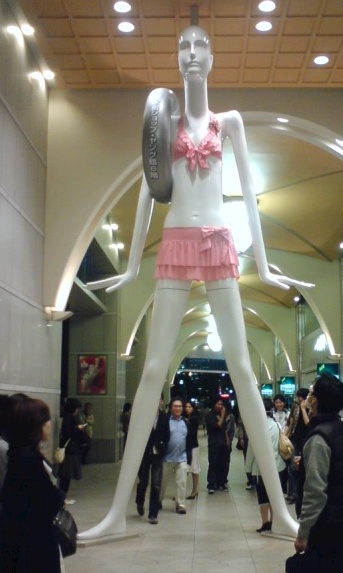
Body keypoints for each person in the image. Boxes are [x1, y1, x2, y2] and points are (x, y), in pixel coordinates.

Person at [80, 23, 311, 540]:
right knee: (152, 369)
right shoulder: (165, 123)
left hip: (219, 242)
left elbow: (246, 191)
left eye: (199, 46)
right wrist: (134, 265)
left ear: (211, 58)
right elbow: (149, 188)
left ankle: (281, 511)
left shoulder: (230, 121)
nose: (190, 53)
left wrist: (264, 263)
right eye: (183, 46)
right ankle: (115, 514)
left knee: (243, 368)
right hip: (177, 240)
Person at [291, 374, 343, 573]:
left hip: (325, 531)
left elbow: (315, 493)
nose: (308, 397)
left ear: (315, 400)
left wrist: (303, 534)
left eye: (311, 393)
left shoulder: (318, 438)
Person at [0, 397, 66, 572]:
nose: (49, 424)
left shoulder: (18, 455)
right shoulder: (28, 461)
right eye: (45, 420)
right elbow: (47, 500)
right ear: (33, 426)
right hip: (32, 549)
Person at [246, 398, 286, 533]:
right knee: (275, 496)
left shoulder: (256, 428)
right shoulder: (277, 425)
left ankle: (265, 523)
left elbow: (251, 450)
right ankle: (275, 523)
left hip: (260, 468)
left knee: (262, 496)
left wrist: (247, 467)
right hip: (277, 466)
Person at [136, 395, 170, 524]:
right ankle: (139, 502)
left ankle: (153, 514)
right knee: (143, 481)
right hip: (144, 454)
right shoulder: (143, 416)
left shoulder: (164, 417)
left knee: (156, 484)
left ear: (161, 402)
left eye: (159, 399)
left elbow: (167, 435)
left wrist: (163, 446)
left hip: (157, 454)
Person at [159, 397, 192, 514]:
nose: (178, 408)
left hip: (182, 457)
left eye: (180, 406)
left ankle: (180, 504)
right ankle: (158, 500)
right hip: (166, 458)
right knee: (162, 482)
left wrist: (189, 458)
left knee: (181, 482)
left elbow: (190, 441)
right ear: (171, 408)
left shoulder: (186, 423)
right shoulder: (165, 421)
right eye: (175, 406)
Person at [57, 397, 86, 504]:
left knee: (66, 476)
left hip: (69, 450)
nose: (77, 411)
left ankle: (63, 497)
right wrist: (78, 429)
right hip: (69, 451)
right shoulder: (69, 418)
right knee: (66, 476)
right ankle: (62, 497)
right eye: (77, 408)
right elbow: (69, 433)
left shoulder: (68, 418)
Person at [284, 388, 310, 504]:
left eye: (300, 397)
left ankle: (303, 493)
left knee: (305, 466)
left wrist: (304, 409)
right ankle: (292, 494)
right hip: (294, 438)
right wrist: (285, 435)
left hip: (306, 439)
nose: (299, 399)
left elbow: (308, 423)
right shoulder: (295, 406)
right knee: (293, 465)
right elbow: (290, 421)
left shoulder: (310, 408)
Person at [205, 398, 229, 493]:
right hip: (213, 443)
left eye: (221, 404)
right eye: (218, 404)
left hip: (222, 443)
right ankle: (211, 484)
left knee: (222, 464)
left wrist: (227, 440)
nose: (220, 406)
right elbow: (217, 426)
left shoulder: (222, 414)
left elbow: (224, 428)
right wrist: (222, 415)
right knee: (213, 463)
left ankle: (221, 483)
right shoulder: (209, 415)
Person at [184, 400, 201, 499]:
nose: (187, 409)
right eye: (186, 407)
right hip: (187, 446)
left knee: (194, 468)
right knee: (185, 469)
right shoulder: (187, 418)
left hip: (193, 446)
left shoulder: (194, 419)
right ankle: (182, 491)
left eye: (190, 407)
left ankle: (195, 490)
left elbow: (191, 433)